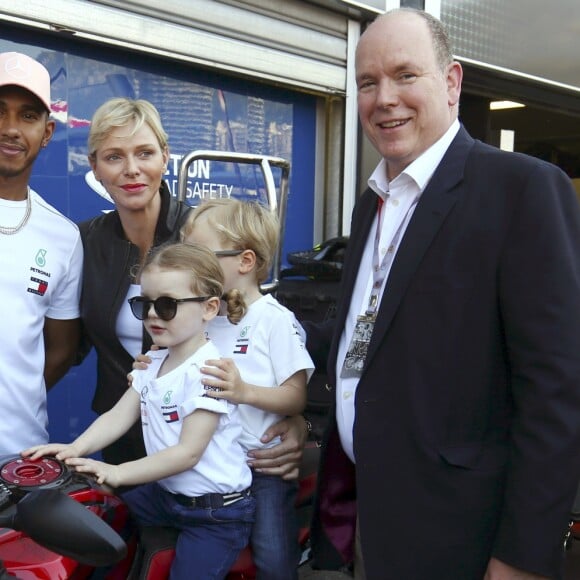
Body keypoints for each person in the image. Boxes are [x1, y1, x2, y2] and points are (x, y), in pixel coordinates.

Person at [307, 8, 580, 580]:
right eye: (367, 83)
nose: (385, 98)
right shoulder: (372, 203)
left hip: (467, 543)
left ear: (452, 82)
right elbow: (370, 342)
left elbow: (558, 392)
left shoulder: (521, 191)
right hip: (373, 524)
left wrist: (522, 558)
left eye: (406, 75)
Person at [80, 97, 308, 475]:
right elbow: (60, 340)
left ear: (165, 157)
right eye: (114, 156)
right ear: (95, 167)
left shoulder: (203, 235)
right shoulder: (84, 242)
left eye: (145, 153)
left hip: (202, 446)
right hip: (122, 432)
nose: (132, 169)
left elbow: (263, 333)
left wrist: (300, 421)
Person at [23, 242, 256, 580]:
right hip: (165, 495)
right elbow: (119, 415)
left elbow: (188, 453)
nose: (151, 315)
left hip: (214, 513)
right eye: (143, 304)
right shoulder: (154, 361)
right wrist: (75, 449)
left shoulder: (209, 372)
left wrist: (118, 473)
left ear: (209, 308)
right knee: (96, 521)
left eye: (166, 305)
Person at [182, 197, 315, 579]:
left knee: (273, 558)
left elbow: (295, 396)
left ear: (245, 261)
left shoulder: (275, 320)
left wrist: (243, 391)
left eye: (201, 254)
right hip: (209, 465)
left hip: (261, 468)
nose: (192, 264)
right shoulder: (202, 317)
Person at [0, 51, 82, 455]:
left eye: (27, 116)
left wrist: (17, 397)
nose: (10, 128)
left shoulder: (63, 236)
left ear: (47, 133)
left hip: (20, 458)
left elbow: (63, 347)